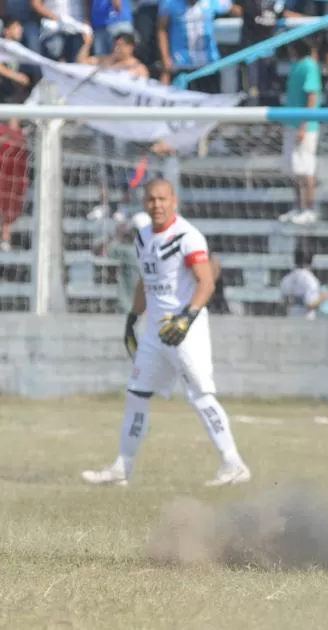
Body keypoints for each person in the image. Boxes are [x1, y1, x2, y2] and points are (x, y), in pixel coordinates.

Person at [82, 178, 251, 487]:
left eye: (162, 199)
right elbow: (146, 282)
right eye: (151, 200)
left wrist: (186, 318)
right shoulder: (143, 237)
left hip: (185, 331)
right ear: (144, 203)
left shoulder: (187, 236)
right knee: (136, 395)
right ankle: (123, 467)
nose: (157, 205)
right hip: (154, 334)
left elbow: (206, 282)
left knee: (200, 396)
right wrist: (133, 318)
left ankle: (233, 463)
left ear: (174, 201)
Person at [278, 37, 323, 225]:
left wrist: (304, 125)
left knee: (306, 168)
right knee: (294, 169)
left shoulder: (309, 66)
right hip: (292, 124)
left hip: (305, 127)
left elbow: (311, 96)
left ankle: (309, 208)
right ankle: (298, 206)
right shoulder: (297, 67)